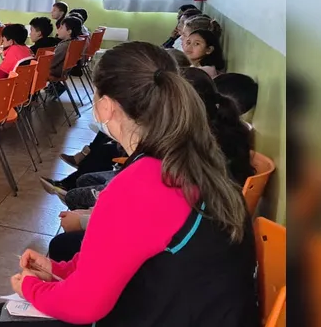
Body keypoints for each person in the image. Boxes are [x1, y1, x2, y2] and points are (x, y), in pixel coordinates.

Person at [0, 41, 258, 327]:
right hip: (196, 309)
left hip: (173, 312)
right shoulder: (188, 156)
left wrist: (30, 287)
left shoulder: (145, 183)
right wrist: (58, 270)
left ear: (105, 106)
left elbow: (83, 306)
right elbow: (114, 257)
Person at [47, 65, 257, 263]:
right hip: (188, 253)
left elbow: (141, 222)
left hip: (169, 258)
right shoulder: (205, 142)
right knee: (92, 174)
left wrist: (87, 220)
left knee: (62, 243)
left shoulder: (175, 154)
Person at [0, 24, 33, 93]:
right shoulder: (27, 50)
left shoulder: (14, 51)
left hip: (9, 91)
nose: (2, 43)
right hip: (24, 89)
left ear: (11, 42)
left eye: (3, 40)